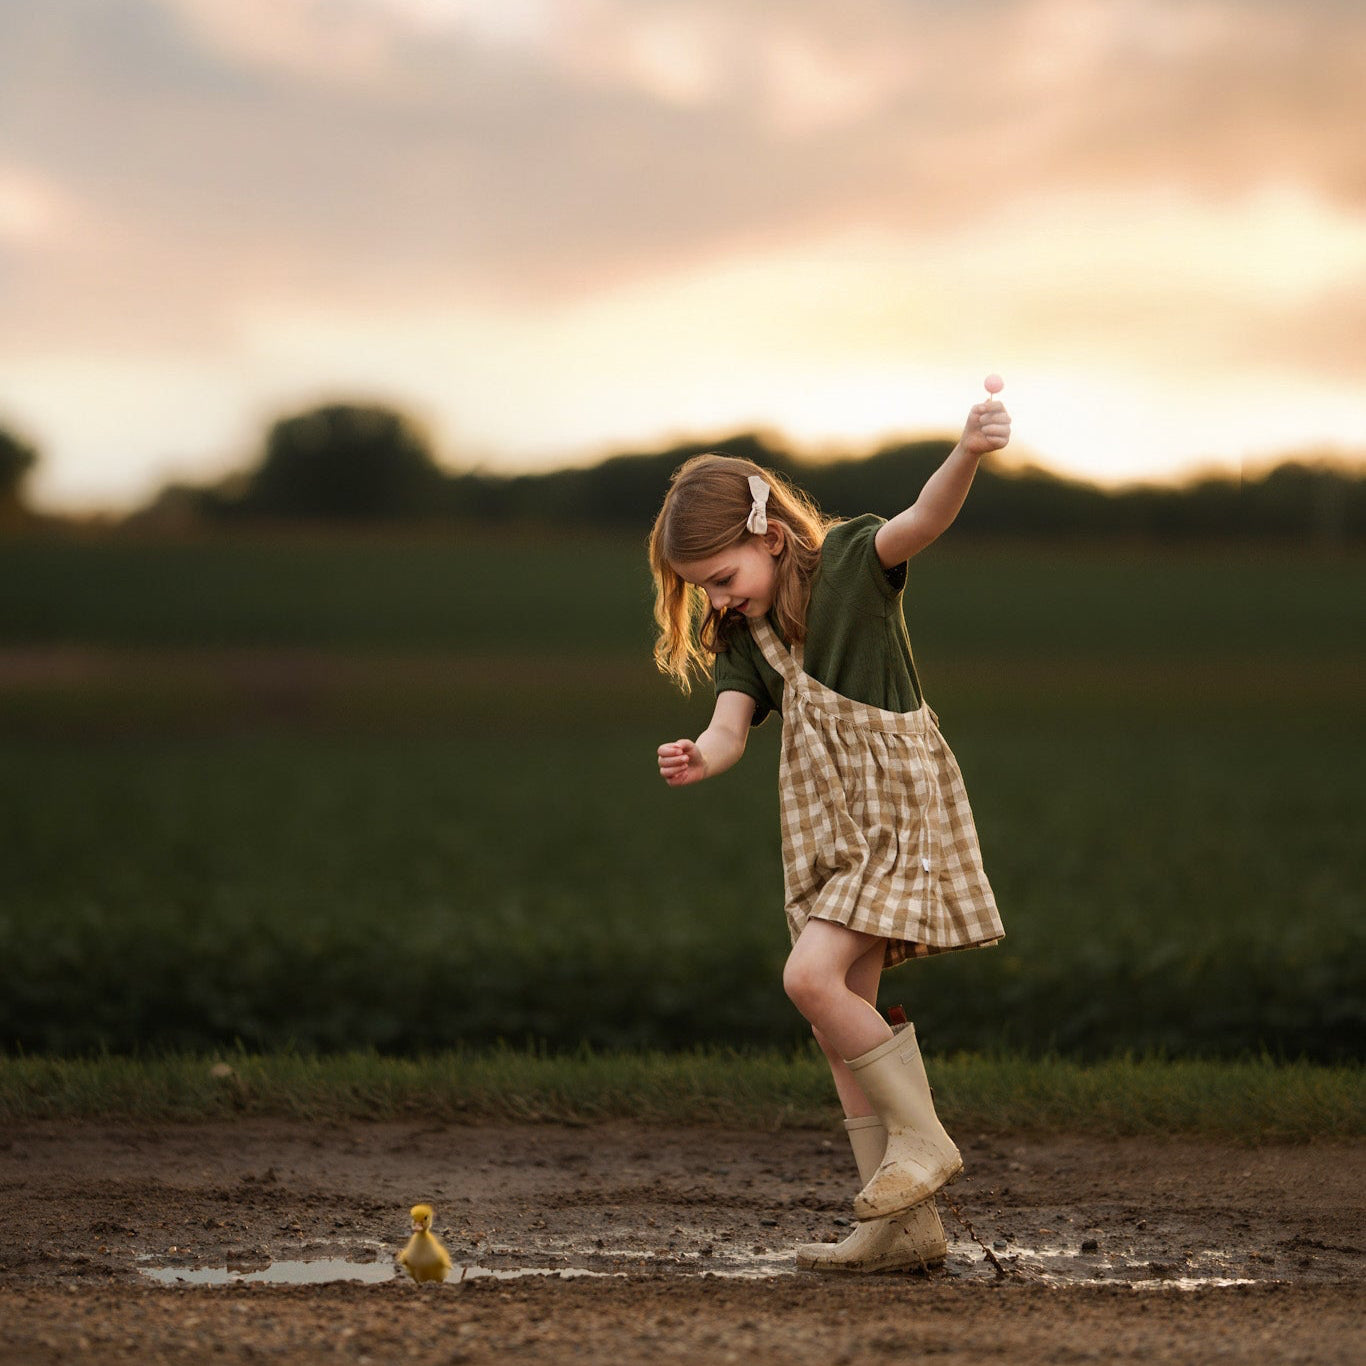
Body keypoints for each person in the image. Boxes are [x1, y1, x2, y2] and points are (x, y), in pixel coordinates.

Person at [647, 380, 1010, 1274]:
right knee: (837, 1017)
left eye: (724, 578)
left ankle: (923, 1143)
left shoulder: (852, 565)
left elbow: (922, 520)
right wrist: (702, 753)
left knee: (809, 979)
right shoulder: (745, 639)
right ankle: (905, 1230)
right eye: (702, 591)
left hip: (896, 818)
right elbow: (731, 727)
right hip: (828, 839)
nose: (720, 601)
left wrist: (965, 452)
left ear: (770, 535)